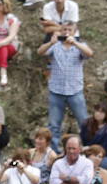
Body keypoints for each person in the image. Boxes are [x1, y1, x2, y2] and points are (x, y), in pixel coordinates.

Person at [40, 23, 93, 151]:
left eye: (70, 30)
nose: (67, 32)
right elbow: (40, 52)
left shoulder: (80, 46)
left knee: (84, 123)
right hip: (56, 91)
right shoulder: (55, 46)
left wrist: (75, 43)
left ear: (75, 32)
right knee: (54, 125)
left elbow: (89, 53)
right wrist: (50, 42)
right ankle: (53, 151)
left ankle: (86, 149)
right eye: (64, 29)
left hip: (75, 91)